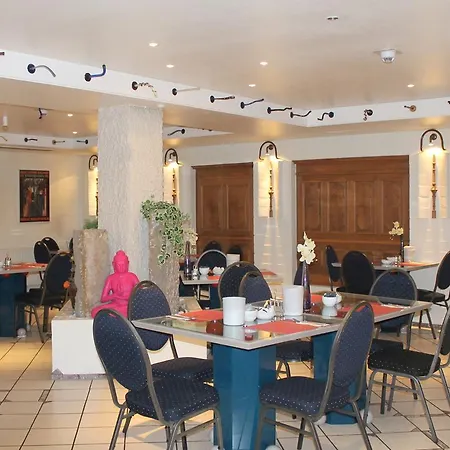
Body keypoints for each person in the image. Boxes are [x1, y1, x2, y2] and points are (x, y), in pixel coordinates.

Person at [91, 250, 139, 318]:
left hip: (128, 305)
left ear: (127, 263)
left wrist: (129, 297)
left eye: (123, 265)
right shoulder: (110, 278)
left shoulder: (132, 277)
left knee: (134, 309)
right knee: (95, 311)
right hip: (116, 304)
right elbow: (103, 299)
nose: (121, 267)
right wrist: (115, 295)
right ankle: (119, 314)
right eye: (119, 265)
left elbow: (140, 293)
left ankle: (117, 314)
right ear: (114, 264)